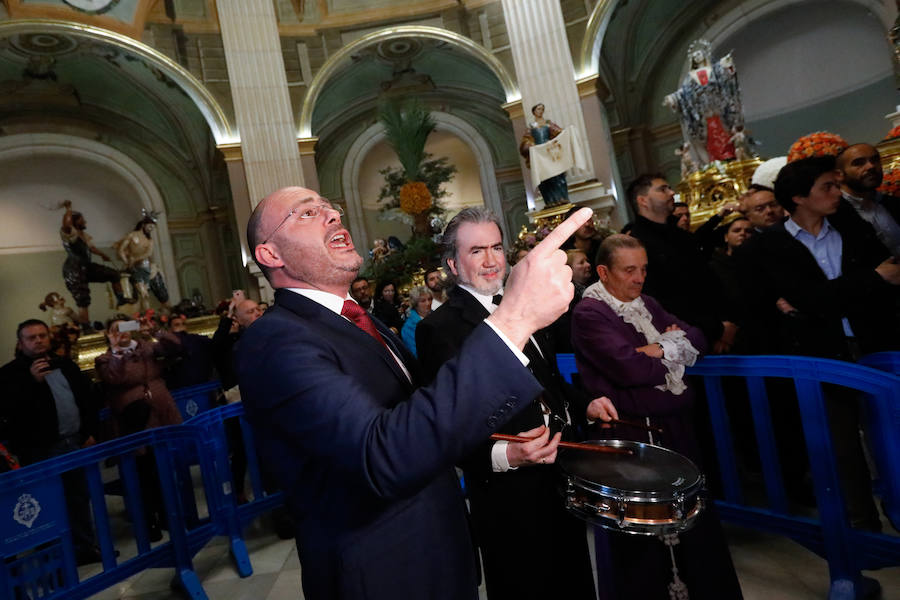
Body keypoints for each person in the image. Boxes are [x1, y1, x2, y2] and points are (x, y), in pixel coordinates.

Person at [236, 186, 590, 600]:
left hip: (440, 554)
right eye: (307, 213)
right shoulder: (275, 340)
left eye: (330, 207)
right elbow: (380, 454)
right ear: (271, 255)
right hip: (383, 572)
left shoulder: (360, 321)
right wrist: (513, 321)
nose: (332, 215)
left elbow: (432, 419)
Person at [416, 208, 597, 600]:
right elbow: (446, 423)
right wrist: (507, 455)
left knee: (575, 580)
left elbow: (547, 383)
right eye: (477, 250)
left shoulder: (529, 306)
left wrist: (586, 404)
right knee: (524, 585)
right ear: (452, 263)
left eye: (496, 247)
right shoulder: (440, 328)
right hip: (505, 494)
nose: (491, 260)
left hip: (560, 478)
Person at [572, 234, 743, 600]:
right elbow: (629, 369)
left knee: (695, 534)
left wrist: (656, 349)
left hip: (675, 430)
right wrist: (670, 348)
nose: (639, 278)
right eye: (629, 270)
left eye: (644, 269)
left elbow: (695, 338)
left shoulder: (647, 303)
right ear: (603, 272)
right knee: (643, 547)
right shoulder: (590, 312)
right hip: (632, 441)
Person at [737, 155, 900, 530]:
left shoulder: (851, 228)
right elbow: (809, 298)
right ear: (798, 197)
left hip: (873, 345)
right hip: (819, 357)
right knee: (841, 450)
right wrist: (868, 281)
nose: (836, 192)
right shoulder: (768, 247)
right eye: (826, 186)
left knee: (891, 439)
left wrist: (827, 296)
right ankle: (862, 531)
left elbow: (888, 277)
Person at [0, 319, 101, 564]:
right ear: (20, 343)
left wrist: (89, 432)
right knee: (45, 502)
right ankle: (54, 555)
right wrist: (32, 382)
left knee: (78, 496)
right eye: (31, 337)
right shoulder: (9, 374)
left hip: (73, 442)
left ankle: (84, 548)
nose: (38, 340)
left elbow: (86, 400)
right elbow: (9, 413)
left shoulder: (65, 365)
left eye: (42, 335)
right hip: (39, 449)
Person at [95, 316, 183, 540]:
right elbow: (114, 377)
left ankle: (168, 515)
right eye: (115, 330)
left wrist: (155, 331)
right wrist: (116, 350)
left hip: (161, 412)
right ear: (108, 333)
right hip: (135, 420)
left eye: (125, 328)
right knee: (142, 473)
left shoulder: (146, 348)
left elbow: (175, 348)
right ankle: (148, 520)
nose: (122, 333)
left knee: (164, 466)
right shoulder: (105, 359)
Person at [627, 174, 735, 353]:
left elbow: (708, 280)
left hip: (720, 328)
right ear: (643, 200)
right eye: (663, 189)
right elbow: (658, 299)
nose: (671, 193)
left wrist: (728, 323)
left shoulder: (681, 235)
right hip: (683, 337)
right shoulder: (637, 244)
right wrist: (715, 329)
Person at [60, 200, 131, 328]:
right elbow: (66, 224)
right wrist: (68, 209)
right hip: (74, 268)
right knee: (82, 298)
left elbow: (91, 248)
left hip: (87, 266)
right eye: (82, 220)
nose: (85, 222)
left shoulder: (84, 235)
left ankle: (121, 298)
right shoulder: (70, 233)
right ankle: (86, 326)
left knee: (114, 274)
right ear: (75, 222)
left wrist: (103, 255)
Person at [836, 142, 900, 258]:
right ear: (840, 174)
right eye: (859, 163)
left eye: (875, 160)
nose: (871, 166)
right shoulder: (835, 215)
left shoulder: (893, 203)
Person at [114, 212, 171, 312]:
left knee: (159, 292)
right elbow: (121, 250)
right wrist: (127, 261)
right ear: (144, 225)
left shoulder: (150, 240)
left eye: (152, 228)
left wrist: (135, 259)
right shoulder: (132, 236)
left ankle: (165, 308)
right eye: (149, 227)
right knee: (143, 294)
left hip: (146, 267)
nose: (150, 229)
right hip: (135, 270)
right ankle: (148, 315)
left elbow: (148, 253)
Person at [519, 103, 569, 206]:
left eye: (542, 109)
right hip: (540, 156)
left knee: (557, 175)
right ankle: (550, 200)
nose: (540, 111)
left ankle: (562, 197)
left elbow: (559, 133)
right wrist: (531, 145)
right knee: (544, 179)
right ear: (534, 112)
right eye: (538, 109)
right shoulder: (531, 127)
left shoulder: (548, 124)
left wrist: (563, 135)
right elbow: (525, 142)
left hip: (550, 154)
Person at [165, 314, 214, 389]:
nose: (181, 327)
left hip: (201, 382)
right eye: (177, 325)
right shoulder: (167, 344)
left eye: (183, 324)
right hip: (182, 385)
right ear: (170, 329)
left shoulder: (195, 338)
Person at [400, 285, 431, 357]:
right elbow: (415, 354)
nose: (428, 303)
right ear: (415, 304)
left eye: (429, 299)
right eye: (423, 301)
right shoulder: (408, 327)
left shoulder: (436, 315)